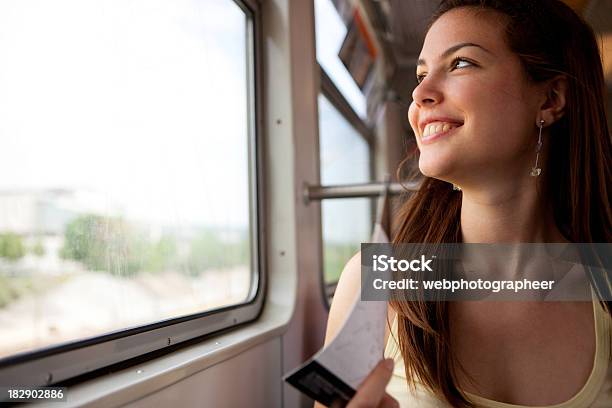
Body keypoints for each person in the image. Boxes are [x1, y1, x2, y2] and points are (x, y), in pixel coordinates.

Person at [317, 0, 611, 407]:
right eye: (421, 74)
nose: (420, 93)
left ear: (550, 100)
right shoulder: (372, 282)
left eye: (461, 64)